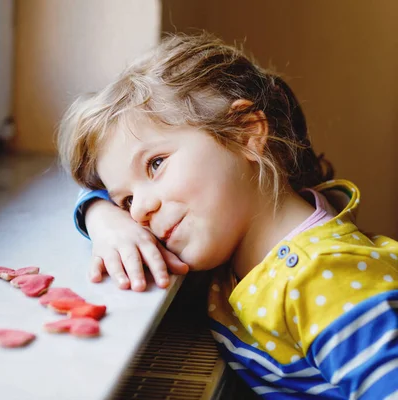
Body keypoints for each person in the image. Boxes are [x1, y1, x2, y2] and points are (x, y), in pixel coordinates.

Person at [57, 32, 398, 398]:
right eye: (125, 201)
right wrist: (102, 217)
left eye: (156, 164)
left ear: (244, 133)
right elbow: (91, 189)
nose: (139, 210)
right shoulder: (238, 236)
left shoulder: (322, 278)